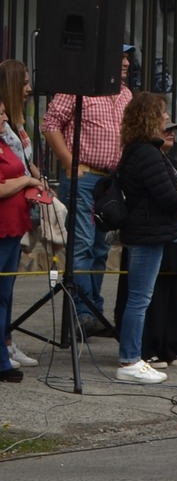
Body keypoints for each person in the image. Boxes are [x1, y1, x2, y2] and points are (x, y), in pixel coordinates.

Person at [42, 45, 133, 336]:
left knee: (100, 248)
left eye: (127, 58)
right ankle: (81, 313)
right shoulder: (77, 87)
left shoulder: (125, 94)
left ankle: (93, 311)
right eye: (120, 57)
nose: (126, 62)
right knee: (81, 244)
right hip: (84, 176)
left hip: (110, 181)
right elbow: (50, 123)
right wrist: (68, 162)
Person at [111, 92, 177, 384]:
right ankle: (130, 359)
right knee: (140, 299)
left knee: (139, 297)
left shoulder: (138, 150)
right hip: (147, 233)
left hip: (146, 230)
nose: (166, 117)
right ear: (149, 117)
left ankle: (132, 357)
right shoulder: (147, 153)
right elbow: (167, 198)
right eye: (161, 112)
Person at [0, 102, 38, 383]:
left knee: (4, 295)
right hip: (1, 229)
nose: (5, 117)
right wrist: (26, 181)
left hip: (14, 228)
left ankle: (2, 359)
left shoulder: (5, 143)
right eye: (0, 113)